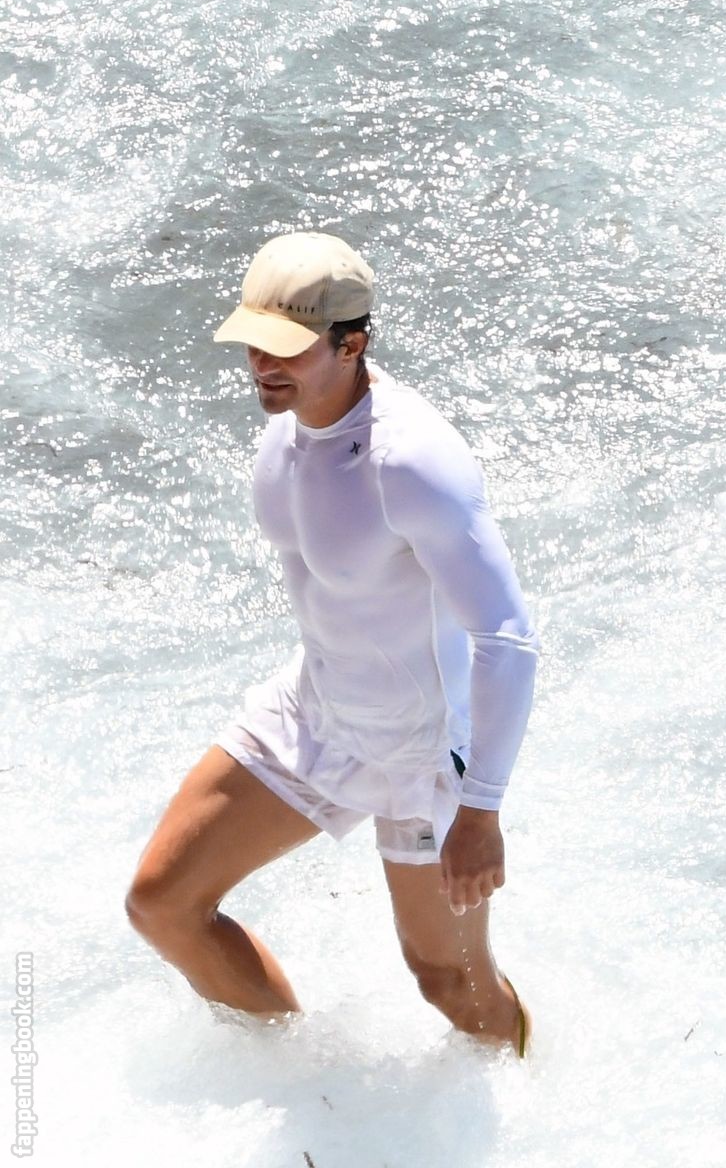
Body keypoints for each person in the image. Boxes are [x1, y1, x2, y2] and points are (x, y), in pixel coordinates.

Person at [125, 231, 538, 1054]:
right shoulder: (287, 426)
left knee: (450, 984)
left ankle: (527, 1100)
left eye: (285, 347)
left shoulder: (413, 463)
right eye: (253, 342)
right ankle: (302, 1083)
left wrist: (481, 809)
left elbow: (507, 637)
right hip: (317, 710)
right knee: (163, 904)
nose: (261, 364)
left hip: (422, 753)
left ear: (352, 344)